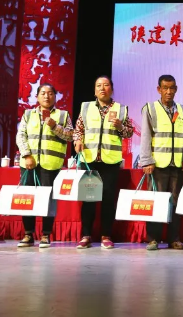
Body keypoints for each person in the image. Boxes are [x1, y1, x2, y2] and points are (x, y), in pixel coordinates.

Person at [73, 76, 133, 249]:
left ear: (111, 89)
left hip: (110, 161)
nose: (102, 88)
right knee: (88, 198)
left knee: (108, 199)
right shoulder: (86, 107)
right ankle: (86, 235)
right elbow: (78, 129)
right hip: (89, 159)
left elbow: (129, 133)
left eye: (106, 85)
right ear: (94, 90)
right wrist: (77, 140)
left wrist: (120, 126)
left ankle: (106, 235)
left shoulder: (121, 109)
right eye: (98, 85)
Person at [15, 84, 73, 248]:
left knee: (48, 200)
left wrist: (54, 126)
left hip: (51, 164)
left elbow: (70, 136)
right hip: (29, 163)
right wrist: (27, 155)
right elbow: (21, 136)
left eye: (50, 93)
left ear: (55, 96)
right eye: (43, 93)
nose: (46, 96)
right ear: (37, 97)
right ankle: (28, 234)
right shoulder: (28, 114)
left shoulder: (63, 115)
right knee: (28, 198)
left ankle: (46, 234)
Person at [139, 74, 183, 251]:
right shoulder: (150, 108)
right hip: (157, 165)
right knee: (156, 202)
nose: (168, 92)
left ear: (176, 89)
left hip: (177, 165)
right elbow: (145, 136)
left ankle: (174, 239)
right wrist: (147, 161)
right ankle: (153, 239)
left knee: (175, 203)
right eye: (165, 88)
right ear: (159, 89)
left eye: (171, 88)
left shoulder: (182, 109)